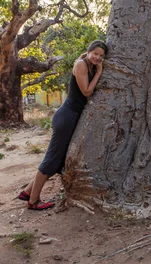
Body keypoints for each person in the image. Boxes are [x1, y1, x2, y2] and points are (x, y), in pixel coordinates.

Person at [18, 39, 107, 210]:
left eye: (101, 56)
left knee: (58, 160)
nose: (97, 58)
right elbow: (87, 91)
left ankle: (28, 192)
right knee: (52, 158)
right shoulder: (81, 64)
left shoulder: (90, 66)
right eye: (95, 54)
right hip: (66, 117)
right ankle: (33, 201)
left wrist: (97, 69)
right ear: (88, 51)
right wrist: (99, 72)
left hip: (72, 117)